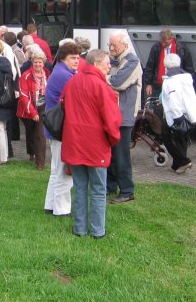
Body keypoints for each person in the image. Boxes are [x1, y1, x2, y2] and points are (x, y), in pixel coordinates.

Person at [62, 49, 121, 238]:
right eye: (107, 63)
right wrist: (113, 140)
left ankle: (79, 228)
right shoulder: (102, 87)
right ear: (96, 64)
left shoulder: (72, 81)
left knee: (80, 188)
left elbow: (62, 104)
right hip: (95, 145)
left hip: (74, 142)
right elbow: (112, 120)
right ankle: (97, 231)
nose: (109, 66)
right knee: (97, 189)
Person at [43, 42, 80, 217]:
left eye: (78, 57)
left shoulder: (62, 71)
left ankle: (50, 205)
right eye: (73, 58)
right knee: (64, 172)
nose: (77, 61)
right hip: (60, 129)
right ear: (63, 58)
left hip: (55, 128)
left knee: (56, 170)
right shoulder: (64, 75)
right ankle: (62, 209)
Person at [106, 31, 142, 204]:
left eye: (114, 45)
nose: (111, 48)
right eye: (109, 45)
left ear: (125, 45)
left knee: (121, 155)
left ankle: (127, 190)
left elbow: (117, 82)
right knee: (111, 154)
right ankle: (110, 186)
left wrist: (105, 78)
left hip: (124, 116)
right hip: (112, 115)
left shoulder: (132, 61)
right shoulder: (115, 60)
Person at [160, 53, 196, 174]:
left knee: (167, 137)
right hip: (188, 112)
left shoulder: (170, 80)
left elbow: (174, 98)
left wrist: (177, 117)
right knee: (181, 139)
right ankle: (177, 164)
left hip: (175, 114)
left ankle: (183, 161)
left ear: (165, 66)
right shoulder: (185, 77)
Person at [17, 51, 50, 170]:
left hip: (43, 106)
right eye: (35, 62)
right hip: (29, 107)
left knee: (40, 134)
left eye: (40, 62)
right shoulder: (26, 75)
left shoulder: (47, 74)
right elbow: (24, 96)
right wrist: (32, 112)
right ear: (32, 62)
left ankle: (40, 163)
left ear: (43, 63)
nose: (38, 64)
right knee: (30, 132)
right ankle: (31, 153)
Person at [143, 28, 194, 98]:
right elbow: (150, 66)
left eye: (166, 42)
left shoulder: (182, 48)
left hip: (176, 84)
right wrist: (148, 84)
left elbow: (189, 67)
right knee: (158, 106)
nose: (163, 44)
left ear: (171, 39)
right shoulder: (156, 47)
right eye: (162, 42)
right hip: (159, 84)